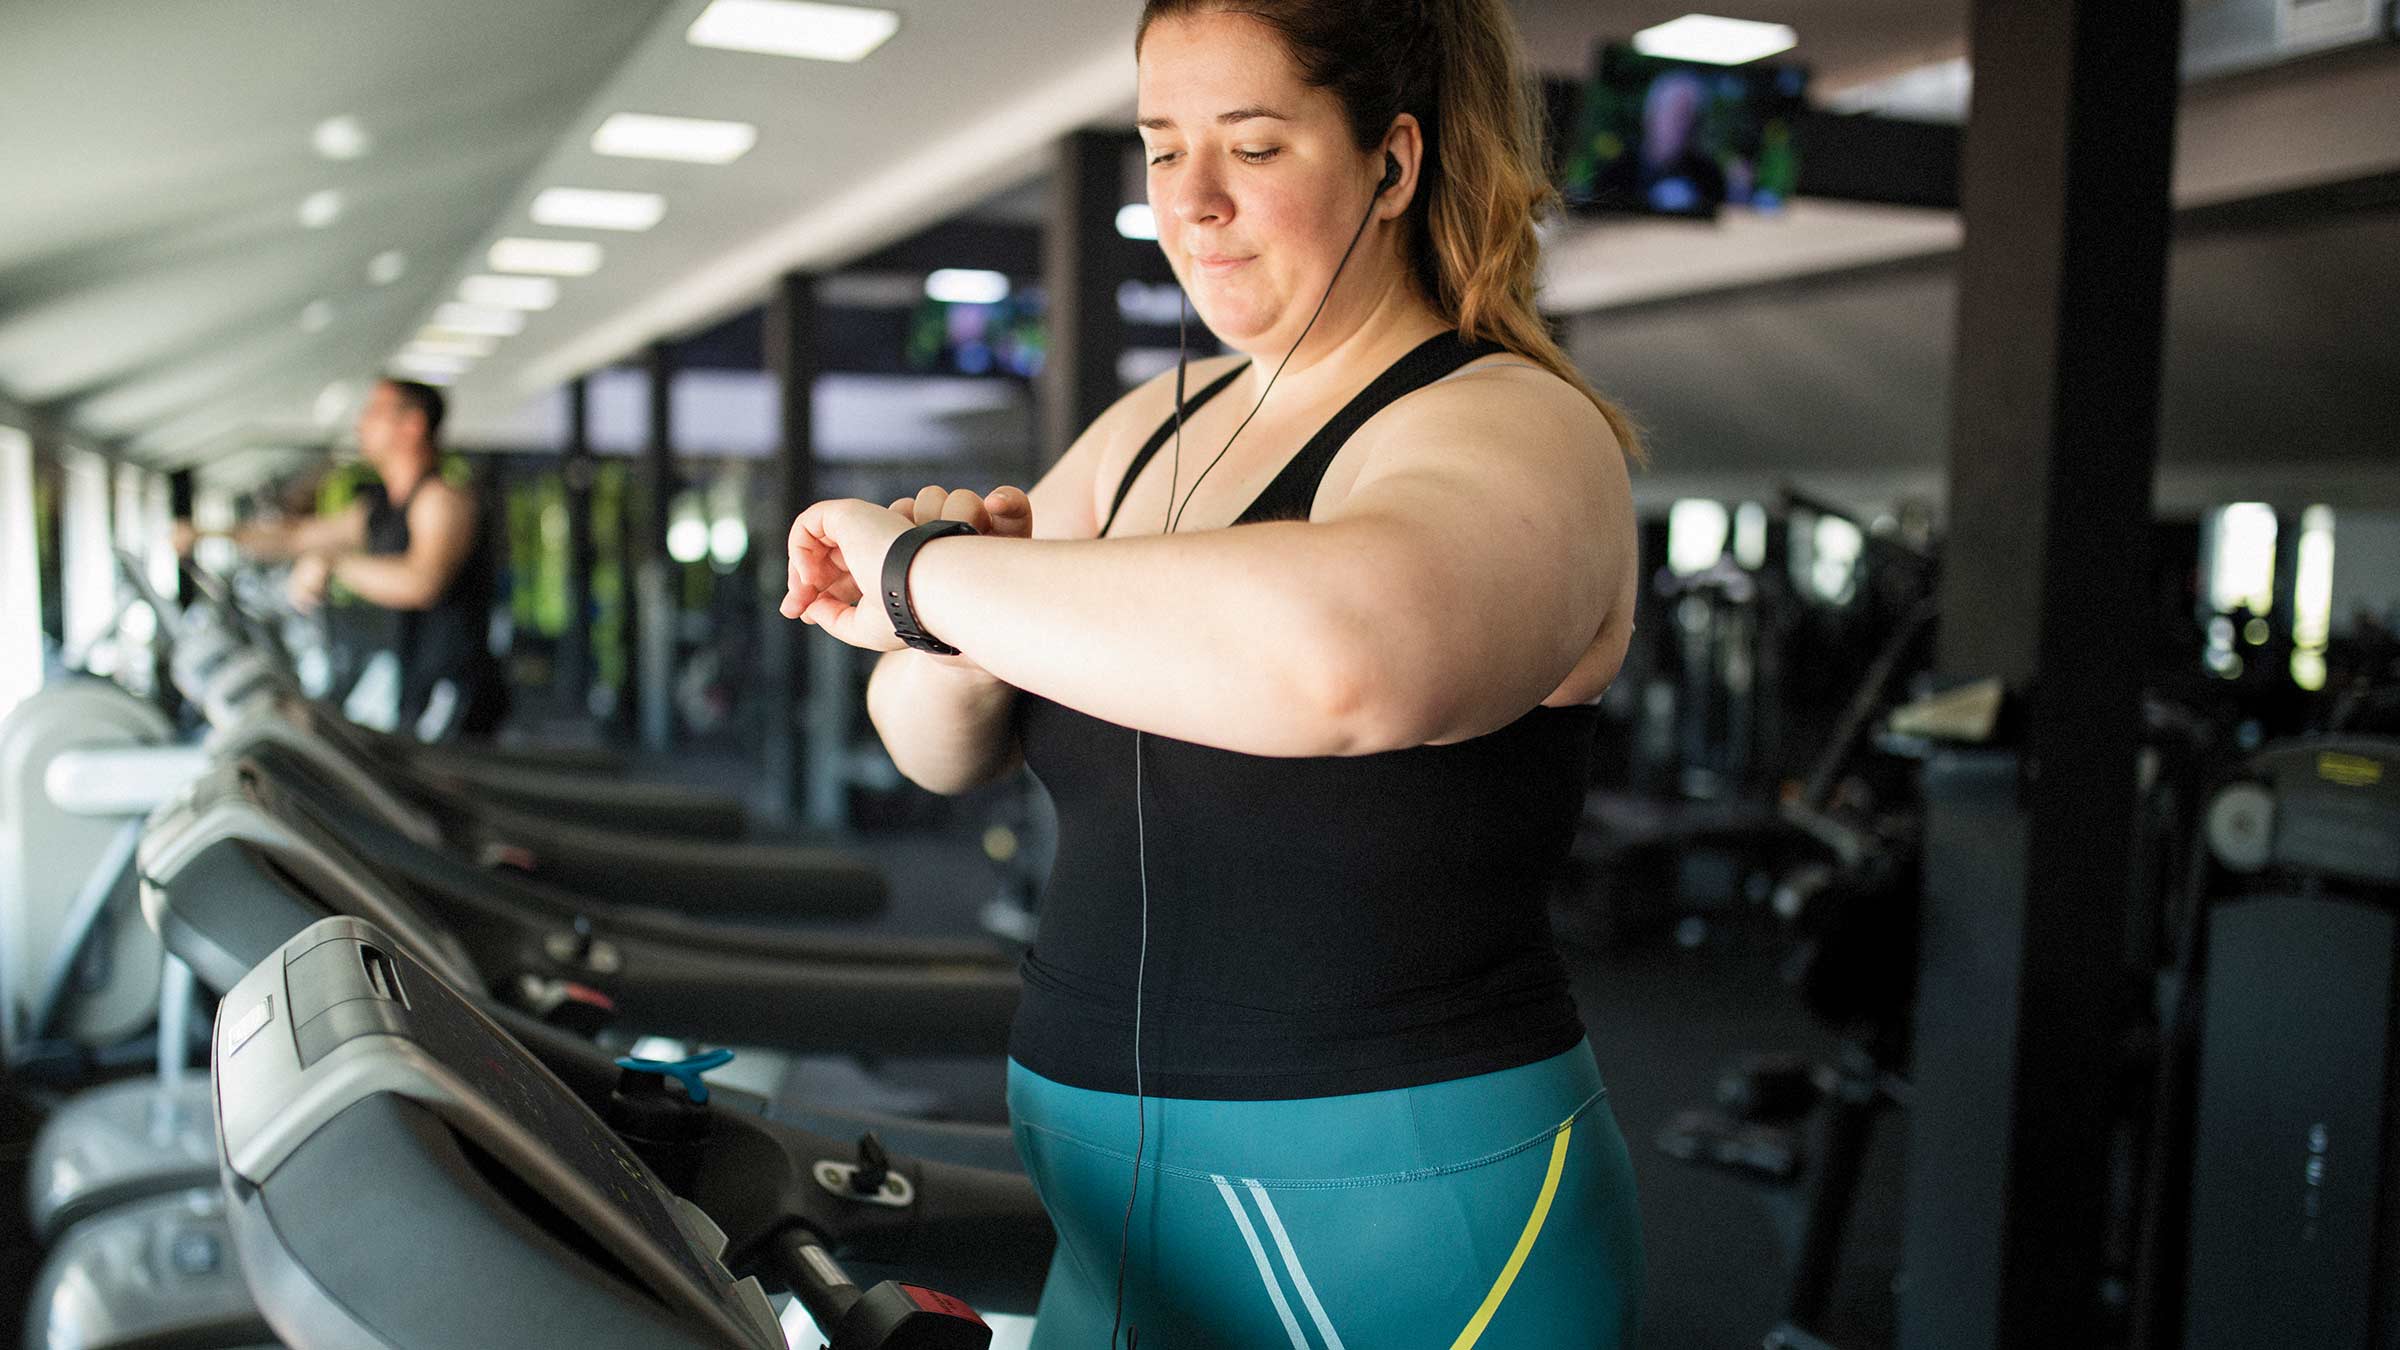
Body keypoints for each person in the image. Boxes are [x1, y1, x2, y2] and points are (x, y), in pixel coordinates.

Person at [782, 0, 1643, 1343]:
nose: (1195, 203)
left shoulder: (1518, 423)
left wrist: (920, 580)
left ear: (1391, 161)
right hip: (1109, 1200)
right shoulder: (1145, 431)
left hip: (1406, 1216)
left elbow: (1348, 663)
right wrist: (955, 627)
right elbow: (932, 742)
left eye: (1252, 146)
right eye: (1162, 147)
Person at [179, 377, 507, 740]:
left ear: (412, 425)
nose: (361, 424)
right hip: (411, 689)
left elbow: (422, 581)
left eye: (374, 413)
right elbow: (296, 535)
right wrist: (205, 534)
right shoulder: (381, 509)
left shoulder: (441, 499)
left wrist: (334, 563)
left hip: (451, 692)